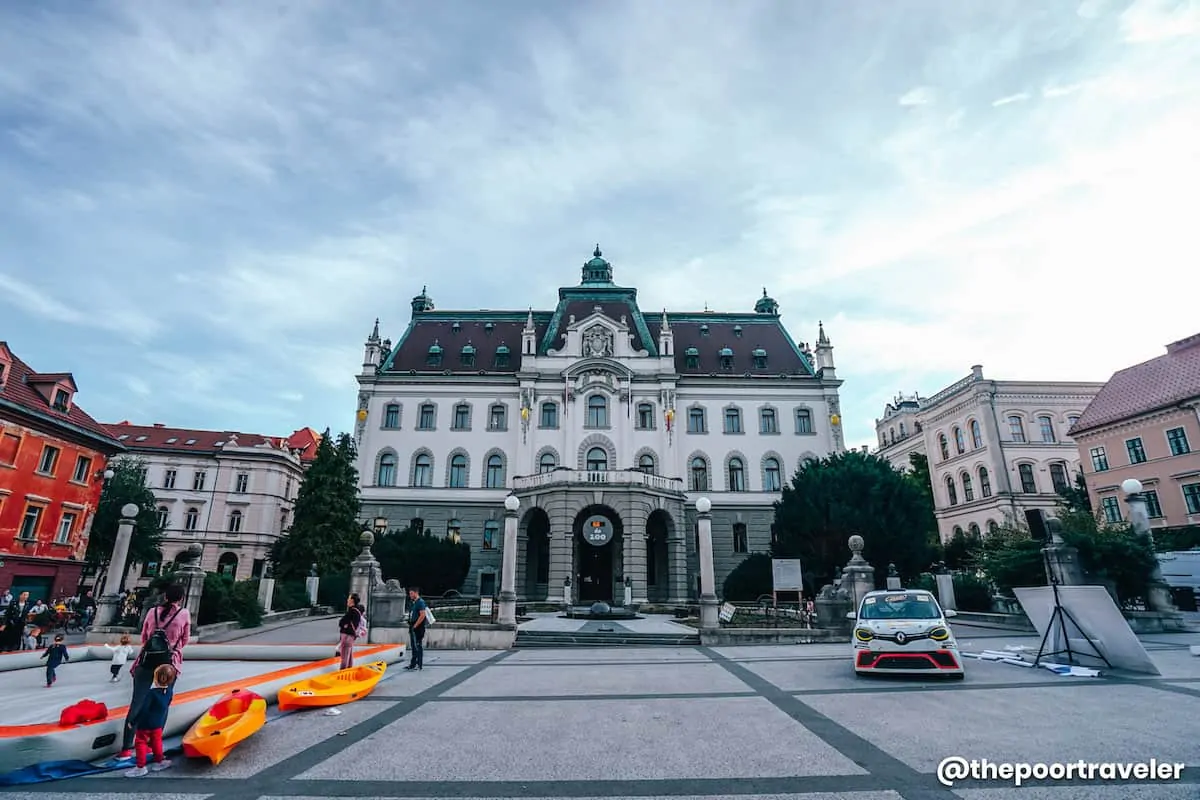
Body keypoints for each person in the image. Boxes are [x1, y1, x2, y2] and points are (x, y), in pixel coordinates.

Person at [118, 583, 190, 760]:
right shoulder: (184, 614)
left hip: (146, 661)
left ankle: (126, 749)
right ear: (181, 598)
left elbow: (144, 637)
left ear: (165, 596)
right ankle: (152, 746)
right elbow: (185, 640)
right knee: (161, 704)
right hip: (168, 664)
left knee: (137, 703)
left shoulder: (152, 612)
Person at [125, 663, 176, 777]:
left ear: (155, 677)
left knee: (140, 743)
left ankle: (140, 767)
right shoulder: (169, 692)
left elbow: (143, 710)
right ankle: (159, 761)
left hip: (145, 724)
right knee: (156, 741)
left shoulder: (152, 693)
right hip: (158, 723)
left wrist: (133, 722)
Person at [336, 594, 363, 669]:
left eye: (349, 598)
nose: (347, 600)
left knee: (344, 656)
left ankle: (343, 672)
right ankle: (349, 670)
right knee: (349, 655)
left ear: (352, 600)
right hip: (351, 636)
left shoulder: (352, 611)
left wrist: (344, 625)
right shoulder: (357, 611)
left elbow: (342, 622)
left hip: (347, 636)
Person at [405, 587, 427, 671]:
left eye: (411, 593)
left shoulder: (420, 602)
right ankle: (413, 664)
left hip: (418, 627)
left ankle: (419, 664)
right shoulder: (414, 603)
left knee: (418, 645)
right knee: (414, 646)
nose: (410, 595)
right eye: (410, 593)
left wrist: (415, 625)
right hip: (413, 625)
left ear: (416, 593)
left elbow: (422, 615)